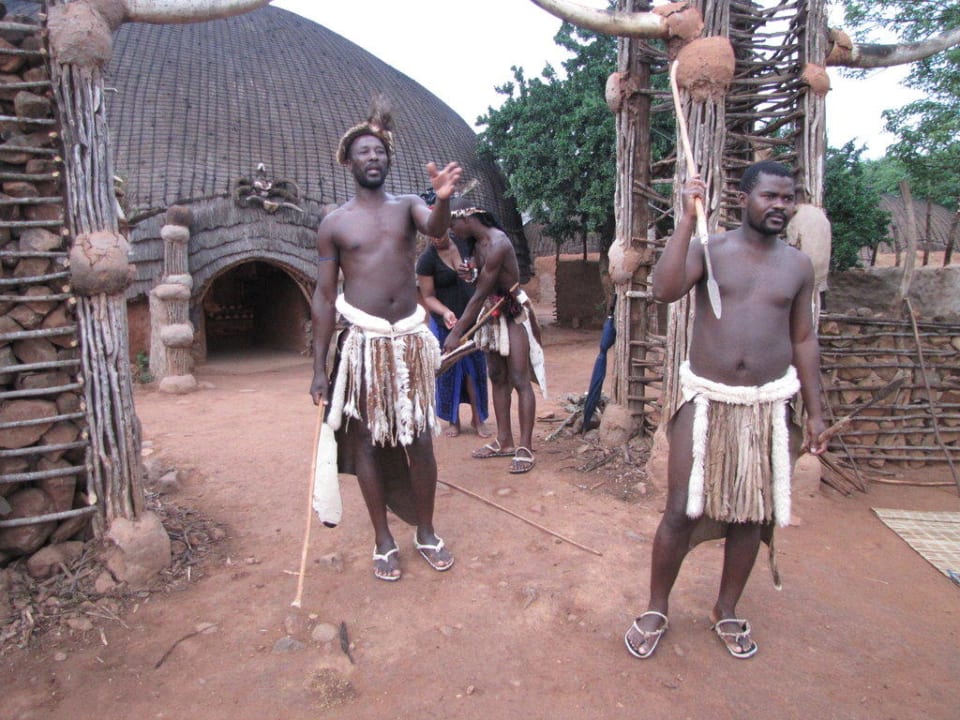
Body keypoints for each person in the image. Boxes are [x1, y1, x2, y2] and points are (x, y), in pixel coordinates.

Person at [624, 160, 826, 660]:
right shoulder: (710, 252)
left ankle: (727, 608)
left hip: (767, 406)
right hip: (708, 400)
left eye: (788, 197)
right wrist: (688, 222)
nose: (781, 205)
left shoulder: (798, 266)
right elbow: (664, 290)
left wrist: (816, 409)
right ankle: (656, 607)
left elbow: (803, 336)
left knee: (751, 517)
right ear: (743, 199)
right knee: (679, 511)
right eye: (770, 197)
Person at [310, 103, 461, 582]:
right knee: (368, 444)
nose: (372, 157)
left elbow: (437, 229)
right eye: (363, 152)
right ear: (349, 163)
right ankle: (382, 538)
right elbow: (323, 295)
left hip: (409, 342)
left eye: (378, 151)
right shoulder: (334, 223)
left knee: (420, 436)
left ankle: (427, 530)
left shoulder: (408, 208)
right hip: (363, 345)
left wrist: (441, 199)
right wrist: (318, 366)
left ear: (387, 160)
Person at [442, 202, 547, 474]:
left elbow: (479, 295)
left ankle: (524, 446)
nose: (452, 231)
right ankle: (504, 440)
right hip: (493, 311)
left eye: (453, 225)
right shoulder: (478, 244)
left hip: (512, 311)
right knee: (497, 377)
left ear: (468, 218)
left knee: (519, 378)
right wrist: (472, 272)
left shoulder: (498, 242)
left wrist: (456, 333)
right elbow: (482, 282)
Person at [416, 224, 492, 439]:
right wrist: (446, 312)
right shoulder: (427, 260)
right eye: (431, 235)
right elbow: (428, 296)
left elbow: (480, 274)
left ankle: (478, 418)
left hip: (472, 321)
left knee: (474, 371)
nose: (436, 239)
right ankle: (453, 419)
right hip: (446, 325)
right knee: (450, 371)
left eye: (439, 233)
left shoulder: (464, 245)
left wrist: (472, 272)